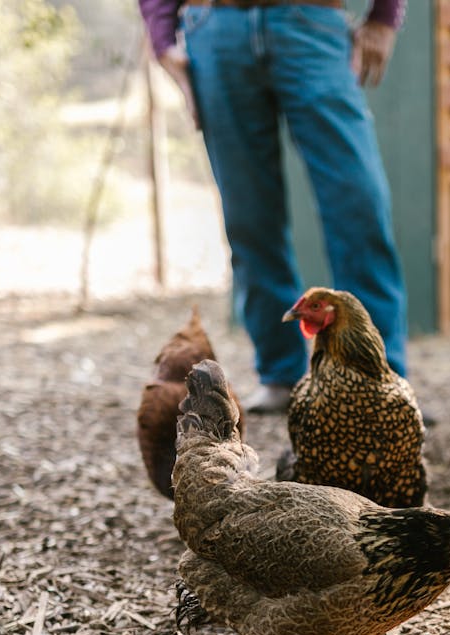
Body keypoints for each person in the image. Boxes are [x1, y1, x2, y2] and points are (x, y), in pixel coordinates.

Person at [139, 0, 410, 413]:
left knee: (358, 205)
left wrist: (385, 16)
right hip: (214, 26)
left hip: (312, 21)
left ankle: (377, 381)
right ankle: (281, 374)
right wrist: (161, 33)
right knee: (249, 217)